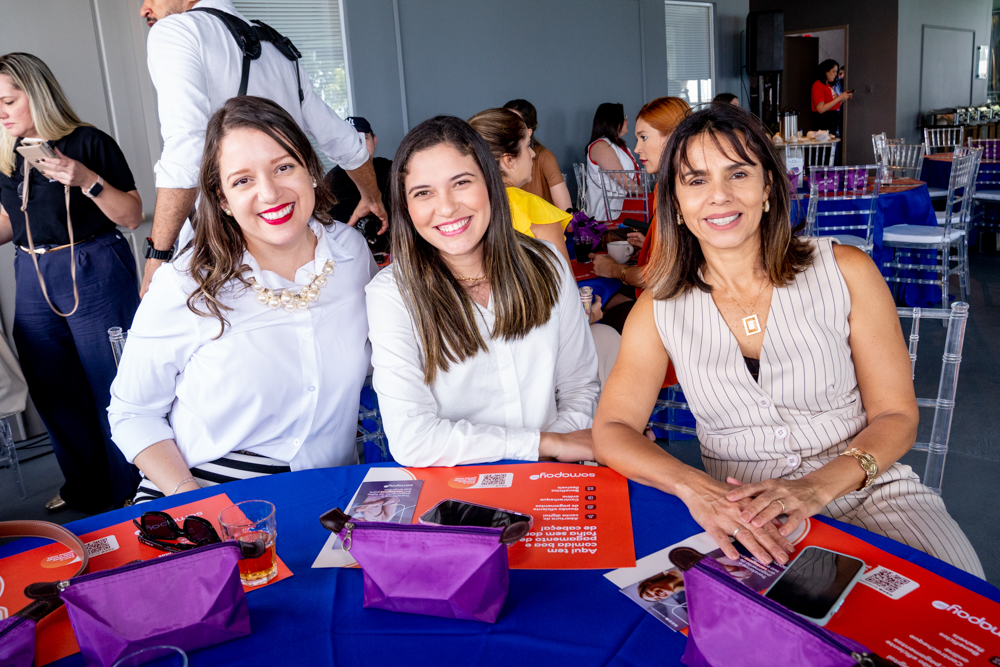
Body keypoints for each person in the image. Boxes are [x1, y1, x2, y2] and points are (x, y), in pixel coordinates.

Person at [592, 103, 983, 577]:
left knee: (958, 607)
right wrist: (693, 486)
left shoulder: (846, 271)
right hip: (746, 516)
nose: (719, 196)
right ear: (675, 202)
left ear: (768, 188)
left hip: (875, 494)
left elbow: (897, 416)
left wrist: (817, 487)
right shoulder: (658, 308)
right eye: (696, 181)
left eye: (738, 174)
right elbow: (613, 428)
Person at [109, 96, 377, 503]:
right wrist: (194, 501)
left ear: (311, 170)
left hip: (328, 488)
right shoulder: (185, 285)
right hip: (203, 488)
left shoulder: (352, 254)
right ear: (222, 200)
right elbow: (132, 413)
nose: (269, 193)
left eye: (283, 167)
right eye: (242, 181)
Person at [365, 115, 599, 468]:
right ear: (406, 207)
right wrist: (546, 444)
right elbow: (413, 439)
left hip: (551, 474)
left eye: (461, 182)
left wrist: (554, 451)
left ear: (490, 182)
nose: (446, 207)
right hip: (455, 488)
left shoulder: (547, 263)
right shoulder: (392, 294)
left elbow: (580, 387)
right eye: (423, 192)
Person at [137, 0, 387, 296]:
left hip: (223, 247)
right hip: (299, 238)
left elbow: (186, 152)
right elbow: (342, 139)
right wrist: (372, 197)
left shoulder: (176, 31)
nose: (144, 9)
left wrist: (158, 256)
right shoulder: (276, 45)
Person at [0, 53, 142, 513]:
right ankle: (85, 486)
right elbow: (10, 221)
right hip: (33, 272)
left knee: (113, 382)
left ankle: (134, 485)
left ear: (35, 94)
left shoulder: (89, 142)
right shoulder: (7, 154)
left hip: (94, 265)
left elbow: (132, 216)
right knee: (54, 388)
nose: (0, 113)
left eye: (7, 101)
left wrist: (86, 180)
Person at [590, 96, 690, 334]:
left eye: (644, 137)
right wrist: (650, 244)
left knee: (595, 317)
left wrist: (613, 269)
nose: (637, 148)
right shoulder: (668, 186)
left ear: (674, 136)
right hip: (672, 297)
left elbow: (657, 277)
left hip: (678, 310)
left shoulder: (680, 191)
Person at [468, 108, 571, 263]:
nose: (533, 154)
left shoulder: (467, 208)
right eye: (528, 146)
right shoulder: (536, 211)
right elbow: (562, 278)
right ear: (508, 160)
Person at [325, 116, 391, 258]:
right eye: (352, 140)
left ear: (374, 141)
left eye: (364, 138)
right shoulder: (331, 182)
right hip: (353, 257)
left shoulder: (392, 170)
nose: (358, 145)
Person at [502, 99, 572, 211]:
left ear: (528, 132)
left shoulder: (544, 157)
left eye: (514, 124)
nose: (507, 128)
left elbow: (566, 210)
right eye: (504, 121)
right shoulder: (495, 157)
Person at [584, 102, 640, 222]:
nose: (627, 121)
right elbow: (624, 181)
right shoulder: (601, 146)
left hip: (623, 205)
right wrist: (647, 194)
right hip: (608, 213)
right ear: (613, 121)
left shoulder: (618, 144)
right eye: (624, 117)